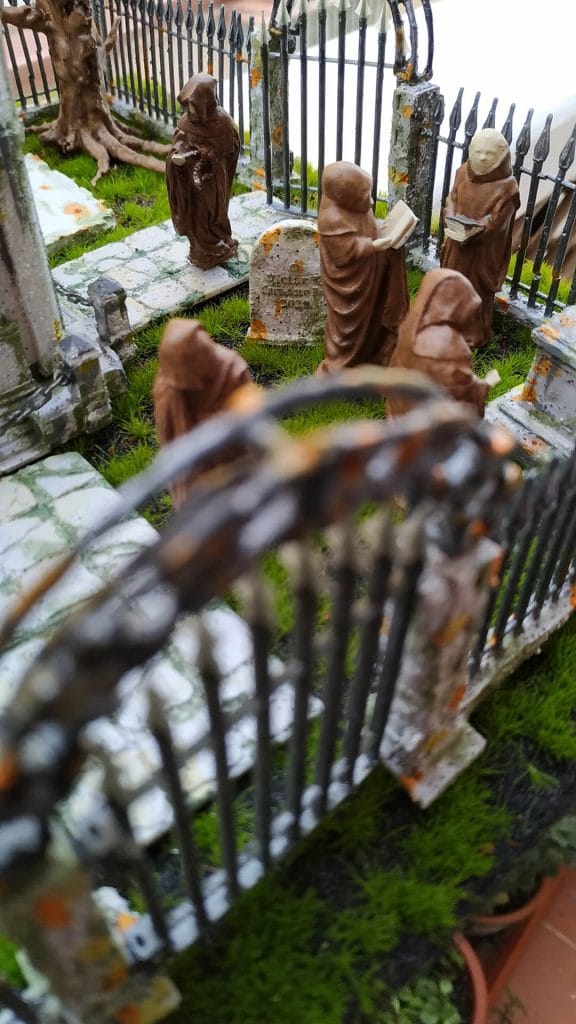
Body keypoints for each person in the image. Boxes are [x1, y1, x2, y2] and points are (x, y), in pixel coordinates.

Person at [315, 162, 413, 375]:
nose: (370, 201)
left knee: (375, 319)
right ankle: (339, 367)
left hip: (370, 273)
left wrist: (384, 230)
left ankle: (374, 356)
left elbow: (367, 228)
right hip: (350, 287)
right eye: (364, 196)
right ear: (344, 197)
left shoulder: (356, 207)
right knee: (347, 331)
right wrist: (376, 245)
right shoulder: (332, 219)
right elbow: (345, 252)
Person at [153, 319, 256, 507]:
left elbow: (250, 409)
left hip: (232, 449)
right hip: (197, 460)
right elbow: (171, 434)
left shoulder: (231, 370)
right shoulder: (168, 391)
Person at [440, 128, 520, 346]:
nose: (483, 158)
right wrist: (450, 214)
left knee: (475, 291)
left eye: (490, 154)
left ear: (502, 155)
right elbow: (451, 198)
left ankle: (473, 336)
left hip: (481, 252)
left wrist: (475, 230)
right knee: (451, 283)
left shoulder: (508, 188)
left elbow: (497, 221)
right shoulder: (462, 172)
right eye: (478, 152)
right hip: (457, 244)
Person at [387, 269, 499, 418]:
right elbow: (460, 394)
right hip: (431, 426)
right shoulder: (451, 347)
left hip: (402, 415)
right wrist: (485, 385)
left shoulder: (410, 329)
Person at [166, 73, 240, 270]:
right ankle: (202, 248)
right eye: (187, 107)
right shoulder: (185, 122)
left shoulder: (222, 122)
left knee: (214, 210)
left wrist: (209, 154)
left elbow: (231, 149)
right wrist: (180, 154)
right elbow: (178, 143)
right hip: (190, 179)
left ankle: (220, 240)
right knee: (196, 212)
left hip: (214, 179)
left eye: (193, 106)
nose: (190, 112)